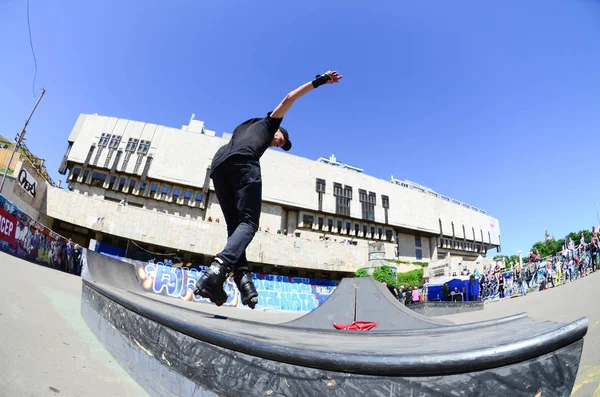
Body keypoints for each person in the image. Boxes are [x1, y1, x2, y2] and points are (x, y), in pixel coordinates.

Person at [194, 71, 343, 309]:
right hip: (242, 162)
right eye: (281, 139)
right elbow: (289, 98)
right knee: (250, 224)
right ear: (278, 129)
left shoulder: (243, 129)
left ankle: (244, 282)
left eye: (282, 144)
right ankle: (216, 271)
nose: (280, 142)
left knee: (236, 228)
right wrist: (321, 80)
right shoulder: (270, 122)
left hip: (219, 165)